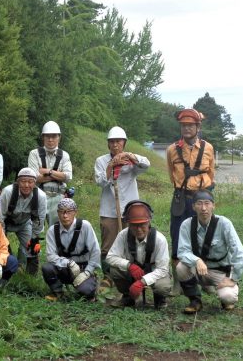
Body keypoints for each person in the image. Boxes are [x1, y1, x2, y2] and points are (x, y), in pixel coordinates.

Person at [166, 108, 215, 295]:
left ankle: (205, 278)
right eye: (183, 125)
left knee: (205, 237)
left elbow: (211, 173)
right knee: (178, 237)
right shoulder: (172, 150)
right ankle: (179, 281)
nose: (186, 128)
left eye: (190, 125)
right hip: (181, 198)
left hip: (201, 198)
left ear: (198, 127)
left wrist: (203, 193)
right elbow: (171, 174)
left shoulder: (208, 148)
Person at [176, 190, 243, 313]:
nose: (203, 208)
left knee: (228, 297)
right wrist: (196, 260)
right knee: (181, 267)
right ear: (193, 207)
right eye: (199, 204)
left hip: (220, 271)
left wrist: (233, 279)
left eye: (207, 203)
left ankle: (224, 297)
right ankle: (195, 300)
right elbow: (182, 251)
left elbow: (239, 252)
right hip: (199, 269)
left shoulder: (224, 223)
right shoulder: (186, 225)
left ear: (213, 205)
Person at [94, 126, 150, 278]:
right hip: (109, 209)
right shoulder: (101, 161)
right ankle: (107, 277)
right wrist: (111, 165)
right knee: (107, 245)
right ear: (108, 144)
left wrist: (131, 156)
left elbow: (146, 165)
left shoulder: (131, 160)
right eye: (111, 142)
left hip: (131, 209)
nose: (115, 145)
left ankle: (133, 274)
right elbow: (100, 182)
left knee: (132, 241)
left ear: (124, 143)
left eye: (118, 141)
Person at [106, 200, 171, 309]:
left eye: (142, 225)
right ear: (128, 224)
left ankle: (160, 299)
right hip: (133, 270)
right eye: (134, 225)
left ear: (149, 222)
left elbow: (163, 269)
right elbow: (110, 257)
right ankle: (128, 296)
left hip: (154, 271)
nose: (139, 229)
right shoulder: (123, 235)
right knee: (115, 270)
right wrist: (129, 266)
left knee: (162, 286)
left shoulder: (160, 239)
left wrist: (142, 282)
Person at [41, 198, 101, 301]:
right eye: (61, 212)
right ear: (58, 213)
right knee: (47, 268)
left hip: (83, 268)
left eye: (69, 212)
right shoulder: (52, 231)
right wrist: (68, 263)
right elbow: (50, 256)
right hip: (64, 268)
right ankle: (58, 292)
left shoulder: (85, 226)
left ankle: (91, 286)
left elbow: (95, 251)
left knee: (87, 291)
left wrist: (87, 271)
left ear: (75, 212)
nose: (65, 216)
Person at [0, 167, 47, 274]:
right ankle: (8, 270)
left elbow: (39, 220)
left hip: (25, 223)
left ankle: (31, 276)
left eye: (30, 182)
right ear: (17, 182)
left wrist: (35, 238)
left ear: (35, 183)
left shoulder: (41, 196)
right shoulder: (8, 192)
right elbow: (0, 217)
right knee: (2, 247)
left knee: (33, 249)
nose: (26, 185)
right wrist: (1, 238)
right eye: (23, 181)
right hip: (6, 222)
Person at [28, 121, 73, 225]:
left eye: (54, 136)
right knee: (35, 230)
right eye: (47, 136)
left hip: (59, 197)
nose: (50, 139)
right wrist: (58, 175)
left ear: (59, 137)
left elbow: (68, 177)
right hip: (38, 195)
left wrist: (47, 171)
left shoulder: (65, 155)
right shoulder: (34, 154)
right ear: (43, 137)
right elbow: (34, 178)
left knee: (57, 231)